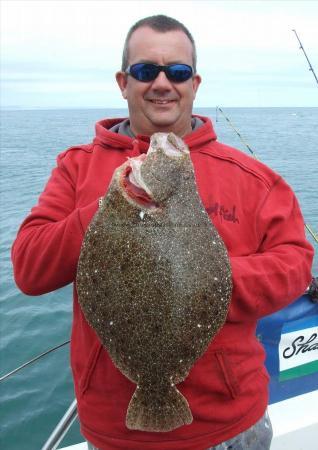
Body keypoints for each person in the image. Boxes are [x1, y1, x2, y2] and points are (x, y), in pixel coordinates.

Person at [12, 14, 314, 450]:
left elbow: (295, 263)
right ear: (123, 81)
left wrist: (203, 283)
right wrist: (110, 207)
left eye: (176, 72)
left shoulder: (254, 178)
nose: (161, 83)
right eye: (144, 70)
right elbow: (29, 269)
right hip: (115, 430)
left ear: (194, 83)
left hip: (230, 423)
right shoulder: (76, 167)